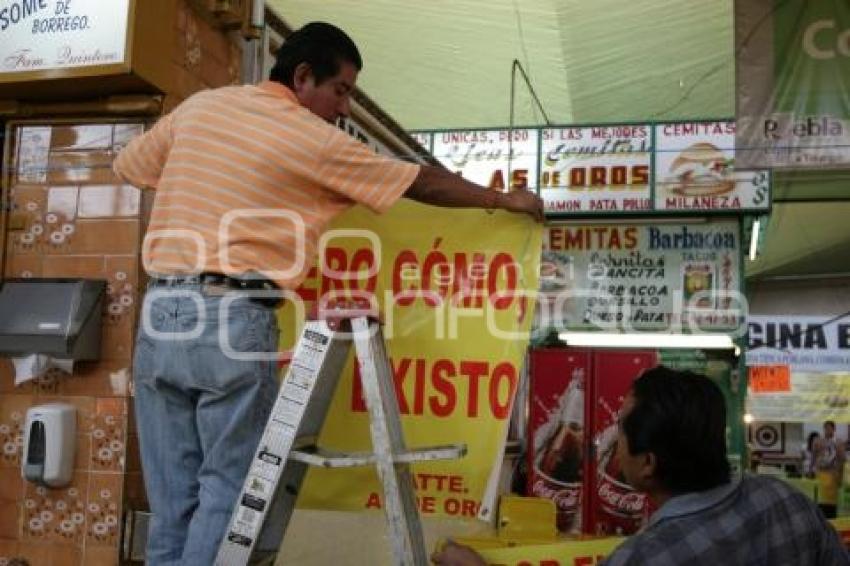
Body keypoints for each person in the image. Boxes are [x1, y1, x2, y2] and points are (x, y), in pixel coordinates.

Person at [114, 21, 543, 566]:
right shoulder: (311, 136)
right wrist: (502, 201)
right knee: (227, 491)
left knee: (172, 499)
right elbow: (421, 183)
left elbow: (130, 166)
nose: (343, 109)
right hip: (231, 318)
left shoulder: (202, 107)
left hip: (161, 314)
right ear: (302, 76)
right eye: (340, 91)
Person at [433, 367, 850, 566]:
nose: (612, 442)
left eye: (621, 433)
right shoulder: (784, 500)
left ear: (648, 464)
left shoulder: (645, 558)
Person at [814, 420, 846, 518]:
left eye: (829, 428)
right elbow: (815, 455)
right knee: (821, 500)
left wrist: (839, 475)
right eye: (825, 428)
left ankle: (832, 519)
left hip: (833, 474)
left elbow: (842, 459)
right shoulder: (819, 441)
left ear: (834, 429)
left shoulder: (838, 442)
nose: (827, 430)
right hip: (821, 473)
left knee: (831, 502)